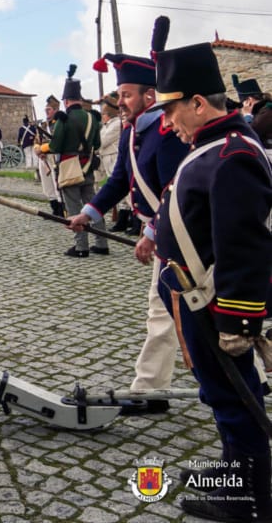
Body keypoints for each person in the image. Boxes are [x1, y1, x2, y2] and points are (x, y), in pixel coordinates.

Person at [150, 42, 272, 522]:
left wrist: (238, 323)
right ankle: (235, 475)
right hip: (197, 300)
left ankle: (249, 500)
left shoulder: (232, 154)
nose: (168, 123)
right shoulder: (214, 148)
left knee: (233, 397)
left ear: (198, 103)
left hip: (215, 305)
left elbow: (244, 244)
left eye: (172, 109)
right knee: (222, 393)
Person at [69, 35, 190, 414]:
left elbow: (178, 190)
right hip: (169, 236)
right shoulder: (133, 130)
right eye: (119, 95)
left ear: (149, 96)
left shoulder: (168, 132)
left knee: (201, 313)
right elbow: (120, 179)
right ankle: (151, 391)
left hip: (188, 238)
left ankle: (253, 379)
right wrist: (89, 212)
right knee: (164, 312)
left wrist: (153, 232)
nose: (119, 102)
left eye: (125, 94)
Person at [49, 65, 107, 257]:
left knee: (74, 208)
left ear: (65, 101)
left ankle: (81, 247)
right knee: (92, 206)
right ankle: (102, 243)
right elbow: (97, 143)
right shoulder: (92, 117)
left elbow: (55, 146)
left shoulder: (63, 119)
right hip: (88, 167)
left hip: (69, 168)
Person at [97, 92, 132, 231]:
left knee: (123, 190)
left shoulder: (116, 124)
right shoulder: (107, 125)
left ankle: (127, 220)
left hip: (114, 157)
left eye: (104, 112)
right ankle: (123, 220)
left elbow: (102, 142)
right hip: (107, 157)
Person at [34, 96, 64, 216]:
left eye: (49, 109)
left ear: (56, 110)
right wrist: (37, 149)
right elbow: (37, 140)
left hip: (54, 157)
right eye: (46, 109)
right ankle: (54, 208)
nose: (47, 111)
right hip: (43, 158)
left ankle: (62, 209)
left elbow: (57, 142)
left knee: (57, 184)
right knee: (47, 185)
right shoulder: (43, 126)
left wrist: (42, 149)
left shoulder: (59, 124)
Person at [233, 74, 272, 154]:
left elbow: (250, 133)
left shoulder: (268, 110)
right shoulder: (261, 110)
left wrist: (247, 115)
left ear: (249, 100)